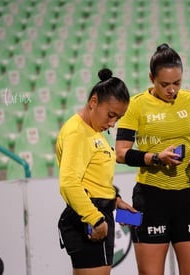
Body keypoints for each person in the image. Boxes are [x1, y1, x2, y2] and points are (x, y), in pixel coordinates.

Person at [115, 43, 190, 275]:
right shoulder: (136, 105)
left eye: (177, 83)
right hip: (151, 199)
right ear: (151, 78)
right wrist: (156, 158)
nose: (172, 90)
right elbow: (121, 153)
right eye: (164, 84)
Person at [56, 68, 136, 275]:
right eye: (110, 115)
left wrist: (115, 201)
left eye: (117, 118)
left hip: (97, 213)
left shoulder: (92, 130)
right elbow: (69, 183)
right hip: (89, 219)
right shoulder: (77, 132)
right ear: (93, 102)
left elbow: (92, 180)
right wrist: (96, 219)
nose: (112, 124)